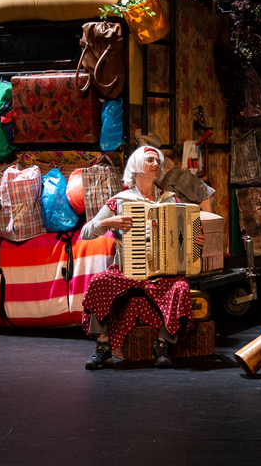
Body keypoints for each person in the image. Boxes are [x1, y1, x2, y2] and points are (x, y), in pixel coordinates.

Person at [80, 146, 194, 370]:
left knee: (181, 286)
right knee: (99, 281)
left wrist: (195, 240)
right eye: (150, 160)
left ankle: (162, 345)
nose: (156, 164)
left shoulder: (171, 200)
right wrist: (107, 222)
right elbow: (85, 232)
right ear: (136, 166)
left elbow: (188, 234)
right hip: (127, 271)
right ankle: (103, 347)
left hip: (161, 273)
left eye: (158, 161)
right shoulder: (119, 201)